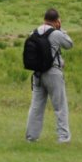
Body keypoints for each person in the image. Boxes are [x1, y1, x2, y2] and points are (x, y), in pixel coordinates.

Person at [25, 8, 74, 143]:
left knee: (36, 106)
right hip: (53, 73)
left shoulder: (33, 32)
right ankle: (63, 137)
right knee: (60, 107)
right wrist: (61, 29)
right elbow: (69, 44)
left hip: (38, 74)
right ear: (56, 20)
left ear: (44, 19)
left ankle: (31, 137)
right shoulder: (57, 34)